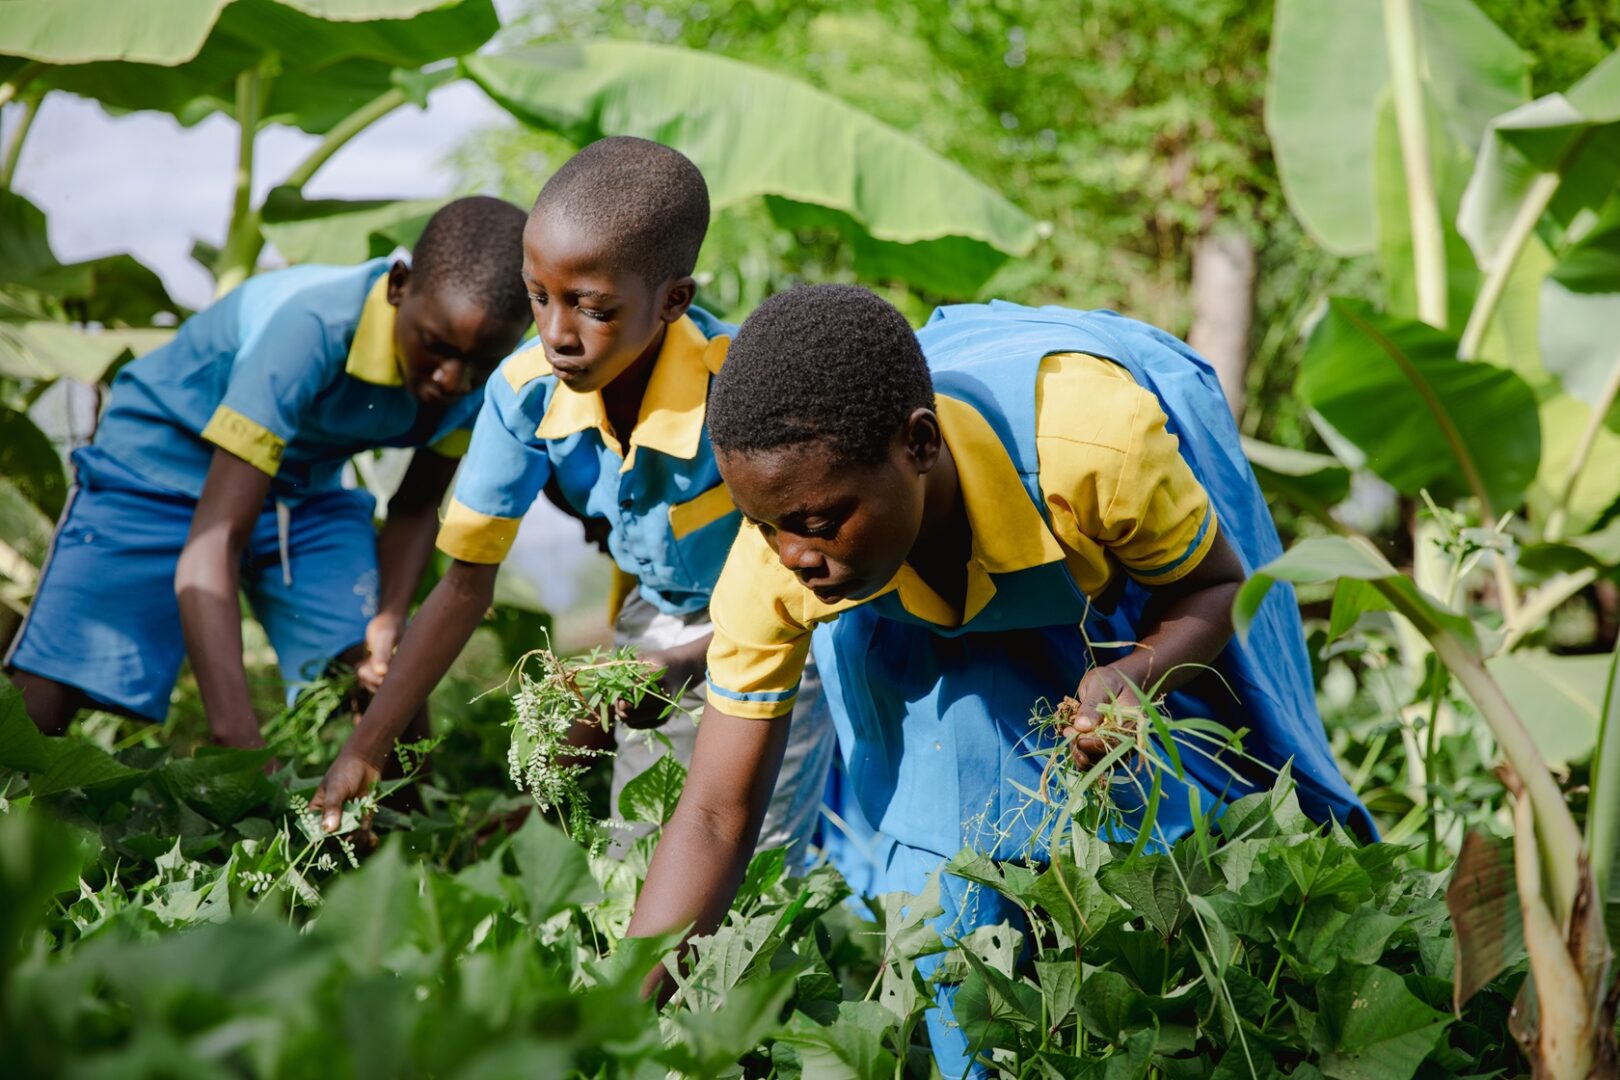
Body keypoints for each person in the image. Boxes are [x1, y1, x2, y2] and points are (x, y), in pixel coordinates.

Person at [622, 284, 1372, 1077]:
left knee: (1199, 824)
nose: (792, 555)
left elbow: (1214, 589)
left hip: (1096, 559)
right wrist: (614, 1016)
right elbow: (713, 815)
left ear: (918, 445)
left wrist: (1136, 671)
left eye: (815, 522)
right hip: (910, 597)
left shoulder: (1098, 449)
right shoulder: (784, 563)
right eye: (762, 523)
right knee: (942, 872)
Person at [311, 138, 835, 860]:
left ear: (673, 301)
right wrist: (365, 751)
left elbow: (812, 579)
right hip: (660, 619)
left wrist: (684, 663)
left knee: (748, 860)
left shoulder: (741, 390)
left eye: (591, 307)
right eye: (538, 296)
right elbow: (465, 585)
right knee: (641, 853)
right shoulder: (522, 392)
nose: (556, 334)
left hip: (787, 622)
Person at [6, 196, 532, 748]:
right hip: (161, 466)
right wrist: (240, 744)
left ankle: (405, 827)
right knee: (53, 687)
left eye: (480, 361)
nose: (453, 379)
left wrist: (389, 616)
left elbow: (418, 506)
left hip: (300, 486)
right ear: (399, 286)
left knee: (373, 674)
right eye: (436, 346)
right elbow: (213, 544)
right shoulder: (310, 328)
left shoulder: (483, 379)